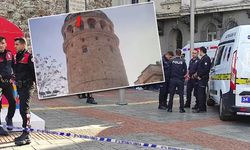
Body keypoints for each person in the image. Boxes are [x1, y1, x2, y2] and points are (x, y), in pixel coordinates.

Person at [13, 37, 36, 145]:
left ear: (23, 45)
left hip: (27, 87)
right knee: (23, 110)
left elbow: (34, 72)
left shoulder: (28, 56)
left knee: (24, 110)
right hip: (20, 87)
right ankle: (26, 134)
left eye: (17, 44)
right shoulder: (17, 56)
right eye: (15, 44)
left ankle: (26, 134)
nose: (15, 46)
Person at [0, 36, 16, 136]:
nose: (0, 45)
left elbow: (15, 68)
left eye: (2, 43)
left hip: (8, 83)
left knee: (13, 102)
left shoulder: (10, 54)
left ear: (5, 44)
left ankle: (9, 118)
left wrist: (13, 78)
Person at [193, 47, 211, 113]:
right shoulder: (203, 58)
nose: (199, 52)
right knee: (200, 94)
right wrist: (197, 74)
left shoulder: (206, 58)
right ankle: (201, 107)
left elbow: (206, 69)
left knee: (201, 94)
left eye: (199, 51)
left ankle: (201, 108)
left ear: (201, 51)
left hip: (203, 79)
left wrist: (200, 76)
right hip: (200, 78)